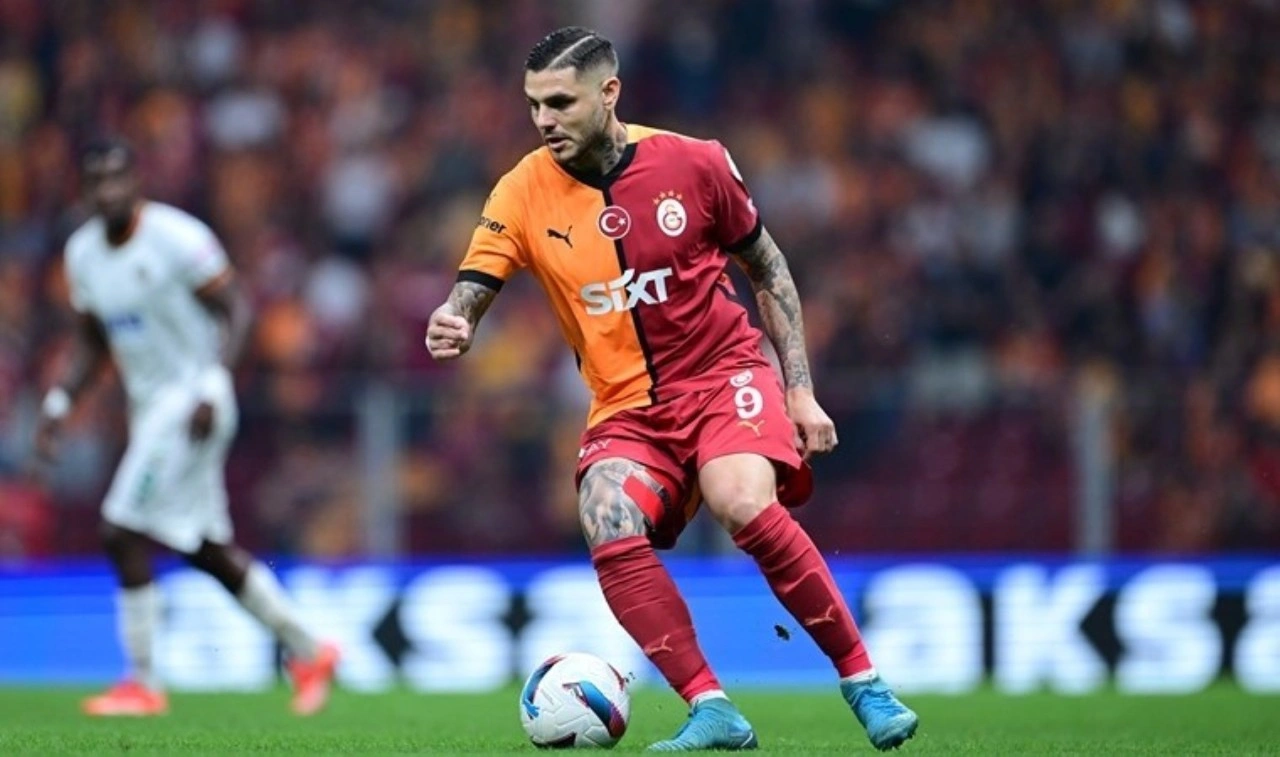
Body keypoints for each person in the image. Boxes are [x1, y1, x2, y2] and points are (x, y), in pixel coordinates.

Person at [426, 27, 918, 752]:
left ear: (609, 93)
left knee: (740, 499)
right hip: (627, 409)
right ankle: (712, 707)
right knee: (604, 516)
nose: (544, 120)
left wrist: (801, 390)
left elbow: (768, 269)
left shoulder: (695, 162)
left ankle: (863, 681)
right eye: (533, 105)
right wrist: (456, 317)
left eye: (560, 102)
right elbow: (475, 280)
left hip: (724, 376)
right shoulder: (522, 189)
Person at [35, 138, 339, 717]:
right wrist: (58, 404)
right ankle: (310, 649)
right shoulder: (83, 255)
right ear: (85, 191)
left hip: (195, 401)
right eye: (97, 181)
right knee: (204, 550)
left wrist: (215, 385)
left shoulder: (177, 238)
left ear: (137, 182)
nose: (109, 191)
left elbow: (238, 309)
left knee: (120, 529)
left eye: (118, 178)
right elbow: (93, 342)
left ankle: (144, 683)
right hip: (150, 408)